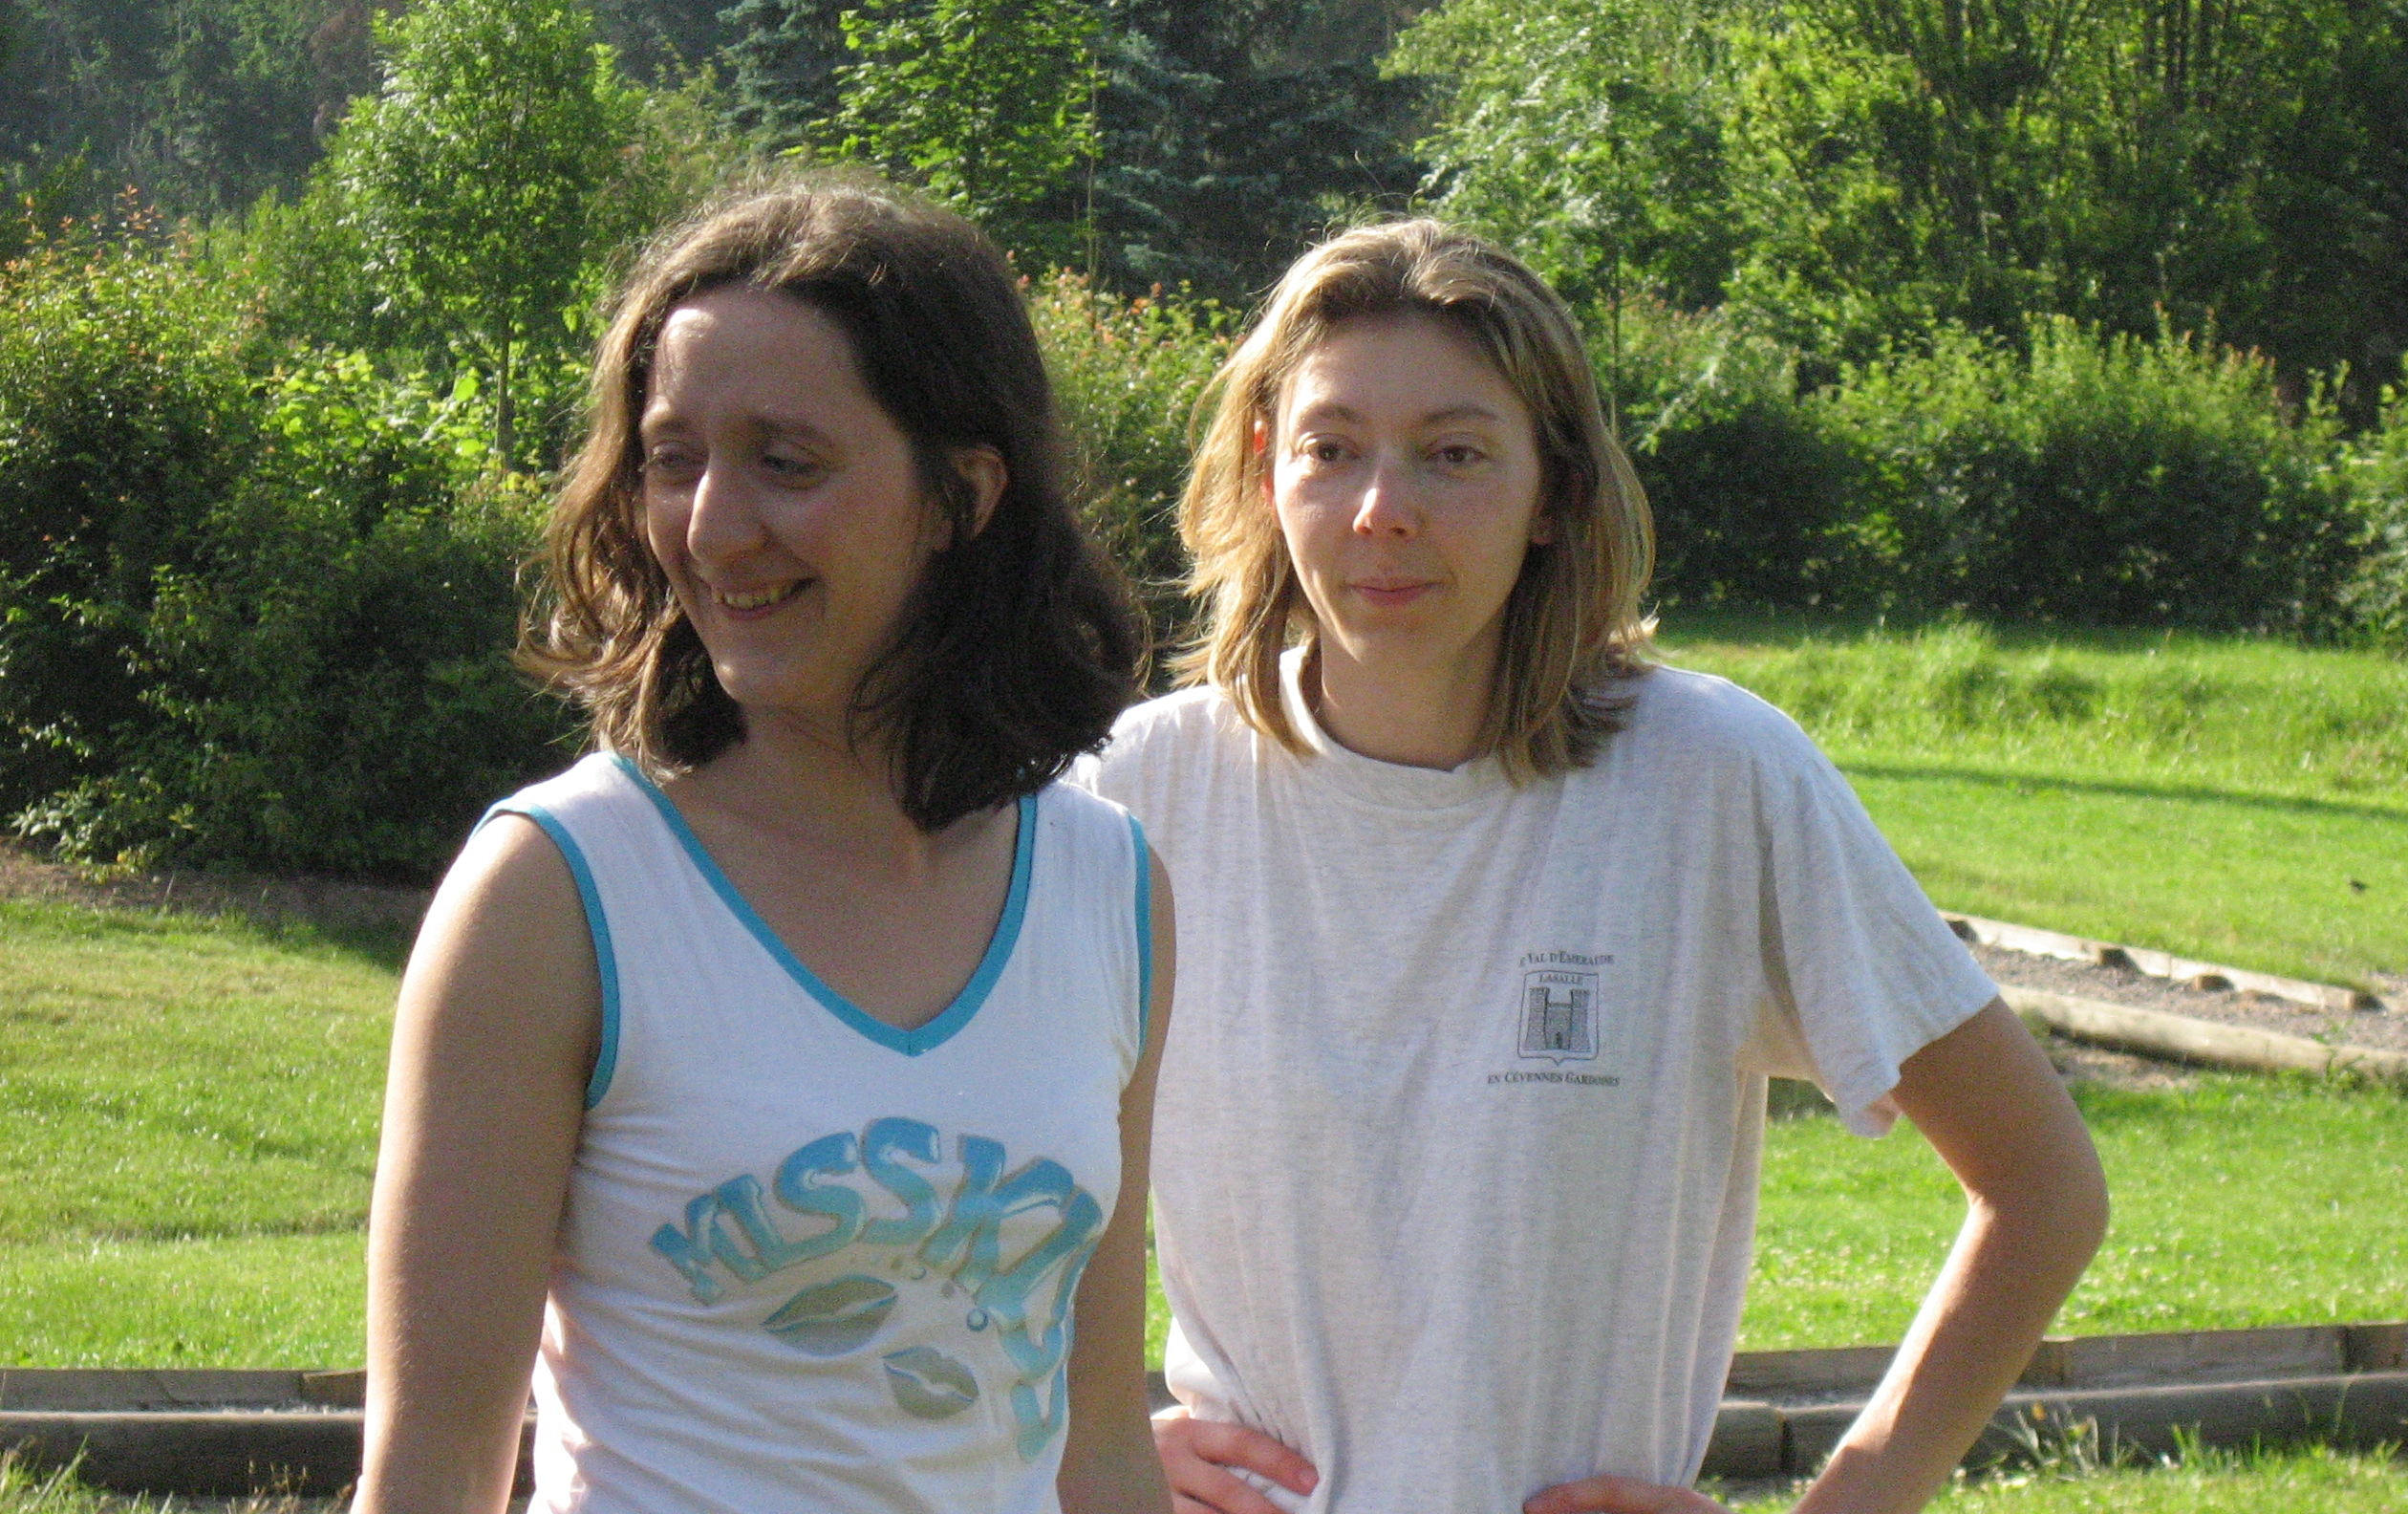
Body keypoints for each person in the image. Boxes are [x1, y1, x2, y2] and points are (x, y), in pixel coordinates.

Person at [1077, 220, 2110, 1514]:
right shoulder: (1135, 796)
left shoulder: (1713, 780)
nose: (1384, 509)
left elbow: (2044, 1188)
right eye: (1331, 449)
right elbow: (960, 1191)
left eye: (1455, 454)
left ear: (1557, 492)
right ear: (1262, 466)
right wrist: (1085, 1446)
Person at [353, 177, 1173, 1514]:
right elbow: (430, 1478)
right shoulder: (557, 892)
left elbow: (1101, 1447)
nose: (712, 527)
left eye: (786, 462)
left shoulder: (1112, 889)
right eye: (672, 457)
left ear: (962, 496)